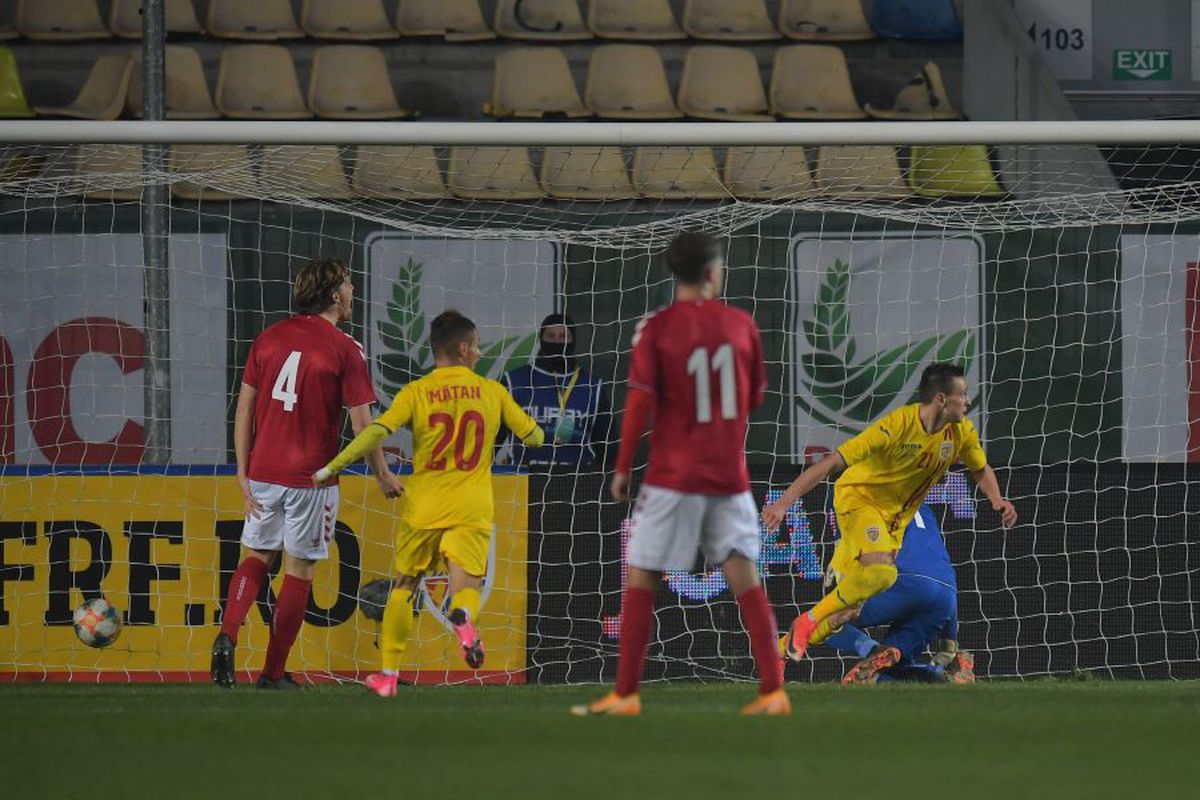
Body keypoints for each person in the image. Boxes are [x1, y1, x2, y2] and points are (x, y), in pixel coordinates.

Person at [571, 232, 789, 717]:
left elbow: (639, 401)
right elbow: (753, 397)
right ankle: (773, 691)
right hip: (728, 476)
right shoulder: (741, 324)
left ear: (676, 273)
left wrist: (623, 467)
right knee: (746, 579)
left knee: (642, 576)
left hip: (672, 475)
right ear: (713, 273)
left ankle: (626, 694)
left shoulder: (658, 328)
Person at [313, 310, 544, 698]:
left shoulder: (415, 393)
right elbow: (533, 437)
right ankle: (465, 617)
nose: (479, 352)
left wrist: (332, 467)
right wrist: (532, 429)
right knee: (466, 584)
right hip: (472, 505)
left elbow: (375, 432)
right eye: (477, 346)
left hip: (424, 506)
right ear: (463, 347)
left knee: (405, 585)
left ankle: (388, 676)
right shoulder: (493, 391)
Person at [211, 257, 402, 690]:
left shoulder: (268, 339)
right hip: (310, 480)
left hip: (262, 470)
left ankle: (227, 635)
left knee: (256, 558)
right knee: (299, 570)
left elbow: (243, 410)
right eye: (350, 284)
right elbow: (363, 427)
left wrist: (242, 472)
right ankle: (273, 673)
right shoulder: (344, 348)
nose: (354, 291)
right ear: (335, 294)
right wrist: (383, 474)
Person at [762, 362, 1017, 664]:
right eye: (963, 394)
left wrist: (997, 498)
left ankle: (776, 652)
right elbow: (830, 464)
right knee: (883, 572)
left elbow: (979, 467)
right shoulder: (896, 426)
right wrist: (783, 502)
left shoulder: (960, 432)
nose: (968, 401)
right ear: (940, 400)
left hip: (893, 520)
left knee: (847, 611)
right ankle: (805, 622)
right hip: (859, 499)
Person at [821, 504, 976, 685]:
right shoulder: (924, 509)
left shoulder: (875, 500)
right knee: (889, 674)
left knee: (820, 620)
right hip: (946, 594)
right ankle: (944, 673)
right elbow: (941, 579)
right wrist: (949, 643)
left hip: (906, 582)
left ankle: (872, 650)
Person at [501, 313, 612, 468]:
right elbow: (495, 436)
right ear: (541, 338)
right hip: (523, 479)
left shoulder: (593, 386)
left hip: (579, 482)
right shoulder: (513, 381)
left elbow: (607, 443)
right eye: (551, 335)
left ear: (573, 340)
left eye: (563, 336)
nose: (557, 341)